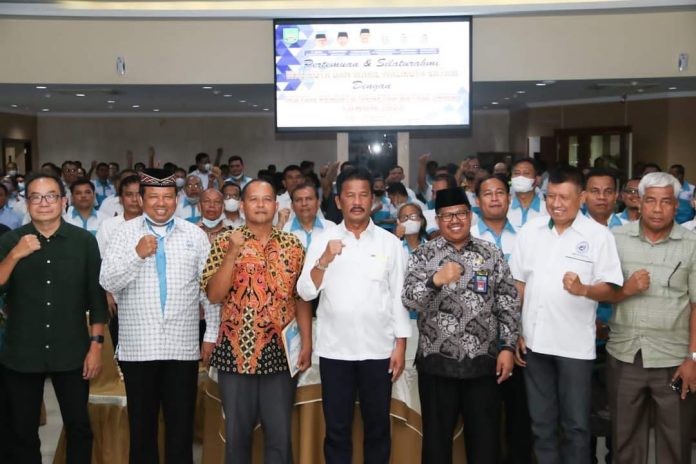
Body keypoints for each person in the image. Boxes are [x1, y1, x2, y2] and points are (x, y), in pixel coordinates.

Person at [100, 168, 219, 464]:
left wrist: (211, 334)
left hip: (182, 347)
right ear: (141, 200)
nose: (161, 203)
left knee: (181, 428)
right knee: (142, 428)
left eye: (167, 196)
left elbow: (209, 290)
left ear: (177, 199)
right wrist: (136, 255)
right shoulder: (123, 234)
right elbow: (108, 281)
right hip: (139, 348)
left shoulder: (194, 235)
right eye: (153, 196)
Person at [509, 166, 624, 464]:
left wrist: (584, 289)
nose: (556, 204)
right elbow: (519, 285)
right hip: (534, 344)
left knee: (576, 426)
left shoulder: (598, 236)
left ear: (581, 198)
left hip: (574, 347)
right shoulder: (530, 231)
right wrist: (515, 331)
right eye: (550, 197)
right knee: (541, 425)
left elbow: (612, 289)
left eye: (564, 197)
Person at [297, 167, 411, 464]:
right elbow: (306, 292)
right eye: (350, 195)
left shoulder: (389, 243)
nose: (357, 202)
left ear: (373, 200)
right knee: (337, 430)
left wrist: (400, 344)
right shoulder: (323, 240)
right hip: (335, 351)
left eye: (363, 195)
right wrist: (324, 260)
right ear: (338, 201)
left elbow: (398, 297)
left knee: (377, 428)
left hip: (378, 350)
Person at [402, 186, 520, 464]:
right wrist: (435, 280)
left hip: (482, 363)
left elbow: (507, 302)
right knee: (436, 443)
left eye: (461, 214)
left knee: (485, 443)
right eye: (447, 215)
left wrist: (507, 347)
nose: (455, 220)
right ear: (437, 220)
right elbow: (409, 300)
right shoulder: (423, 255)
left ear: (470, 216)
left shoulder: (490, 253)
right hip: (436, 364)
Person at [0, 173, 107, 464]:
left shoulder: (83, 242)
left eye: (51, 196)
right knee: (22, 431)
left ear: (63, 201)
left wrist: (96, 346)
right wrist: (15, 255)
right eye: (36, 197)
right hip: (22, 352)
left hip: (72, 351)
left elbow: (96, 299)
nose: (44, 203)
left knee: (79, 426)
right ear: (27, 203)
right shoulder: (10, 240)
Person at [203, 179, 311, 464]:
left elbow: (301, 297)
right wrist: (232, 253)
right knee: (237, 437)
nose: (261, 205)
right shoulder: (224, 241)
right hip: (235, 352)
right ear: (242, 205)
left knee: (279, 436)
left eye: (266, 199)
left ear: (276, 205)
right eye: (254, 199)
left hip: (280, 353)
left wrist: (307, 343)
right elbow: (214, 295)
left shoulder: (293, 245)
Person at [604, 172, 696, 464]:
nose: (658, 209)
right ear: (639, 202)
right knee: (625, 442)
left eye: (666, 202)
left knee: (675, 442)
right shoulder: (616, 239)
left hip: (674, 361)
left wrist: (693, 358)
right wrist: (626, 289)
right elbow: (603, 293)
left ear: (676, 205)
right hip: (625, 355)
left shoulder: (692, 244)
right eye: (651, 201)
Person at [470, 174, 532, 464]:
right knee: (483, 418)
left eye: (499, 193)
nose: (494, 198)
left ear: (509, 198)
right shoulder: (466, 237)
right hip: (478, 342)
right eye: (487, 193)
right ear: (477, 200)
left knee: (520, 415)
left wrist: (516, 330)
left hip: (519, 339)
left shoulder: (526, 237)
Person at [95, 174, 142, 352]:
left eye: (138, 194)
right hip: (116, 301)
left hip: (146, 300)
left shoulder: (153, 224)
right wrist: (106, 294)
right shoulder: (109, 225)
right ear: (121, 199)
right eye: (129, 194)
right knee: (120, 351)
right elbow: (99, 262)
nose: (134, 199)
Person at [283, 182, 335, 249]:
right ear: (292, 206)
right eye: (299, 200)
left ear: (318, 203)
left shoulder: (331, 228)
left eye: (309, 199)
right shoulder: (284, 231)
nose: (304, 204)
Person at [507, 158, 548, 229]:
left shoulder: (547, 210)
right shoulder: (504, 209)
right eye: (516, 173)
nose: (520, 177)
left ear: (536, 179)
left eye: (526, 173)